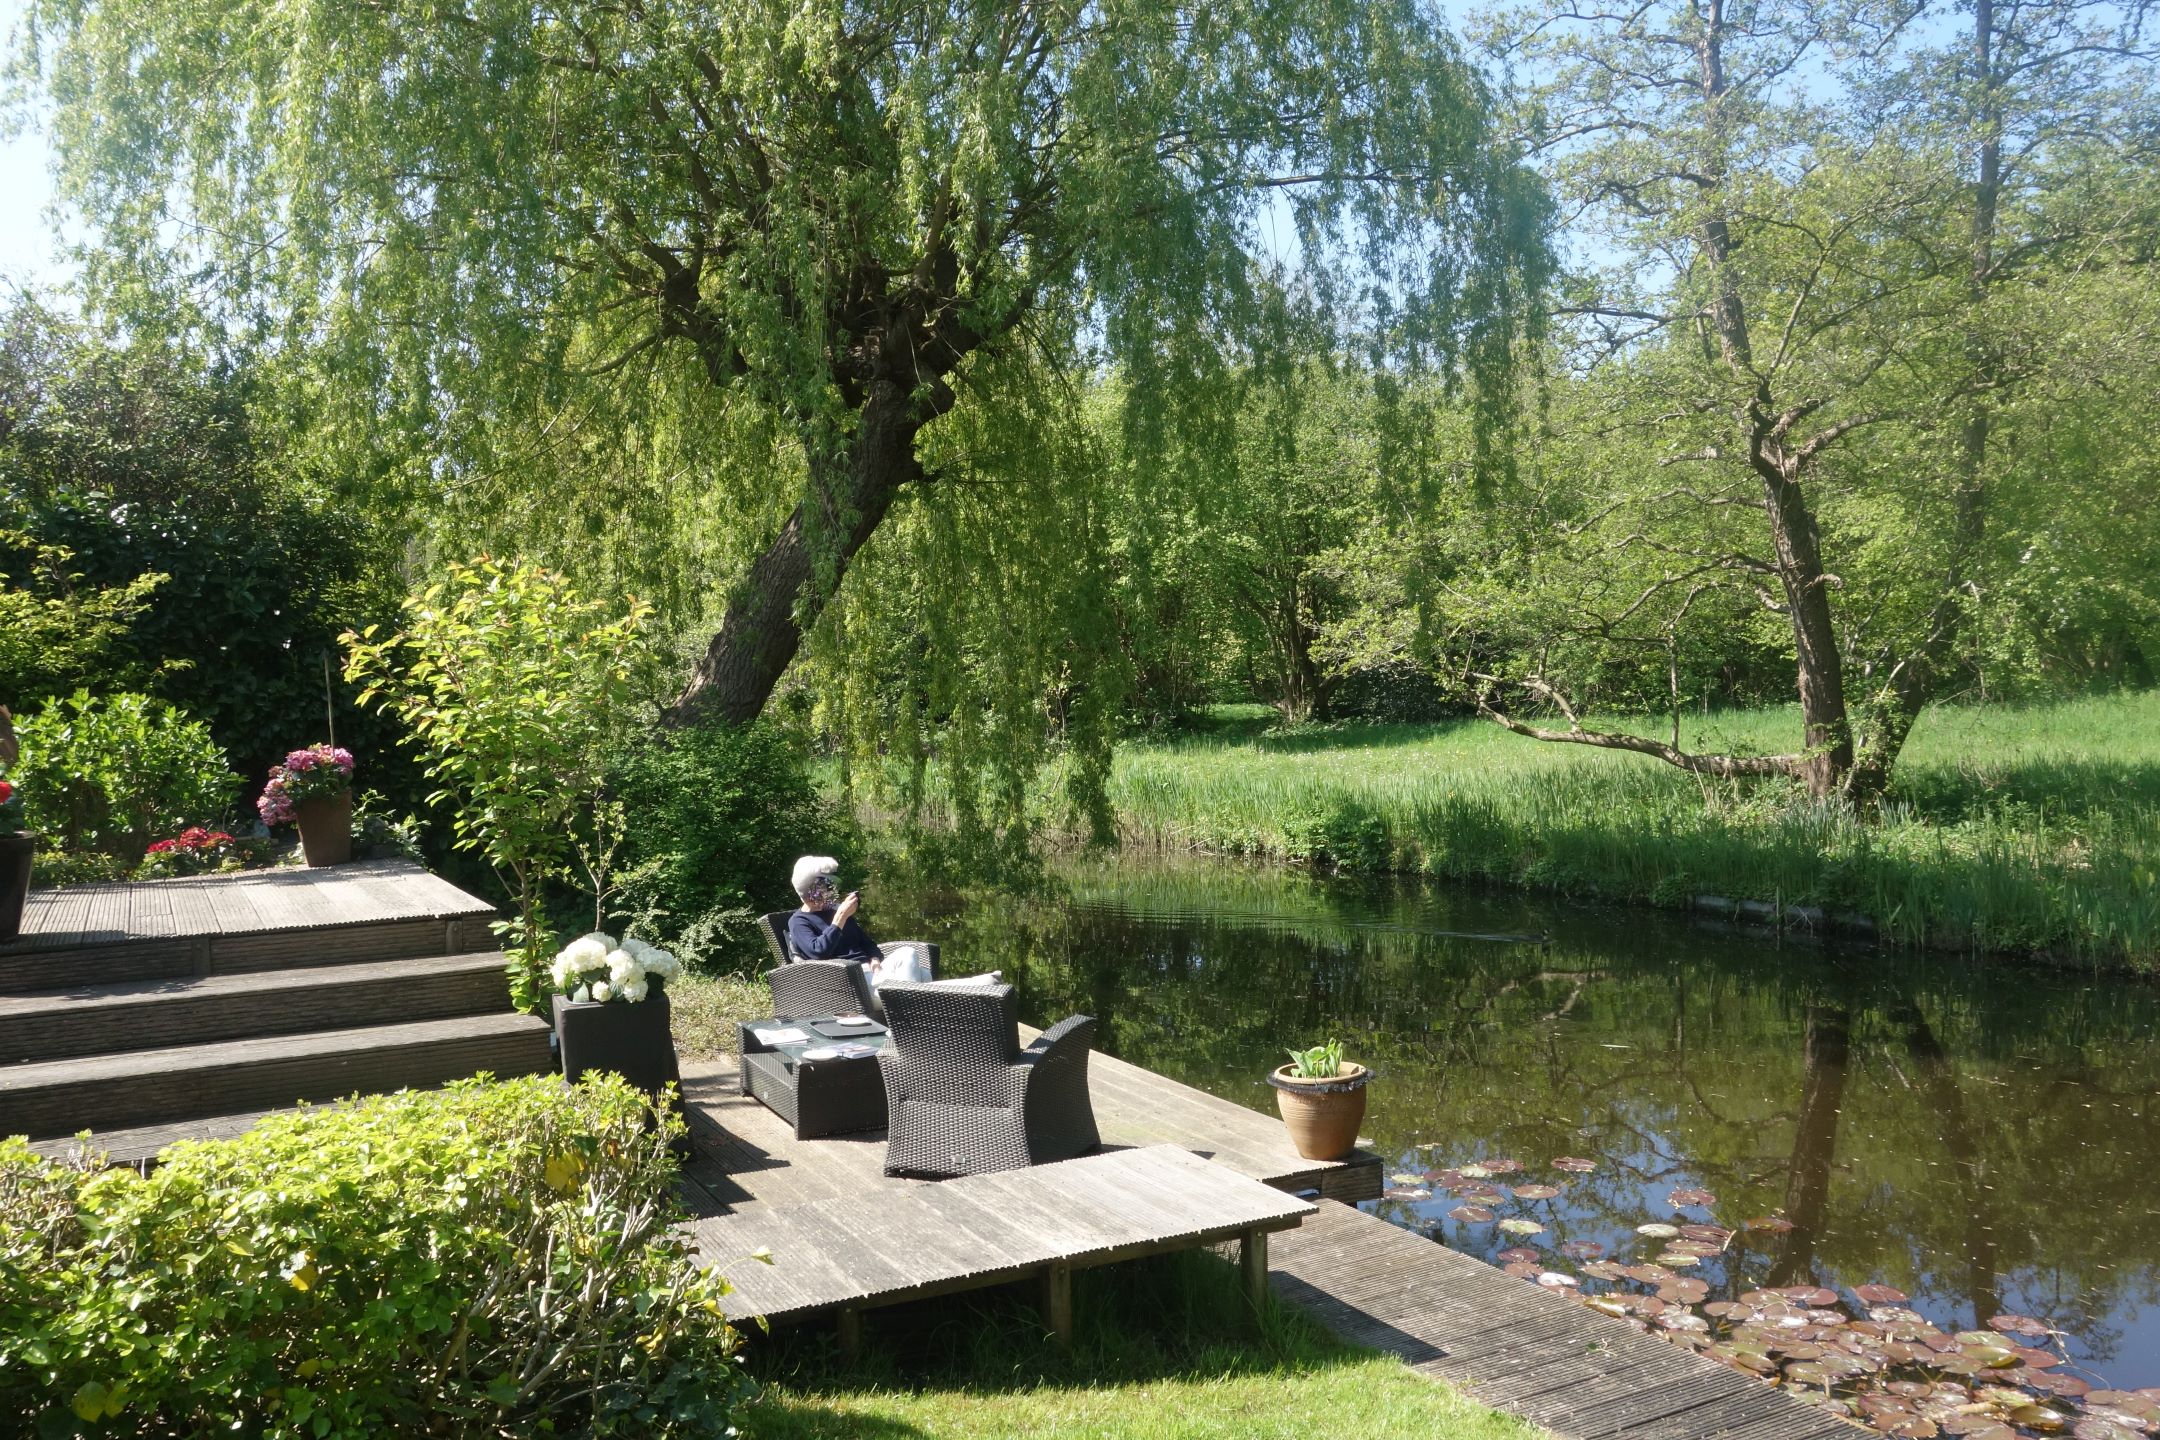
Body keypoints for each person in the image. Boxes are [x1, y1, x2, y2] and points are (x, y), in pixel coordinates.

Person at [787, 855, 881, 964]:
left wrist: (875, 960)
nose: (832, 891)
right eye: (827, 887)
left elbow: (868, 943)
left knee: (900, 955)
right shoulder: (798, 922)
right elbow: (818, 952)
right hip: (844, 972)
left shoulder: (834, 910)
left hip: (871, 968)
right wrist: (840, 918)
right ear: (809, 894)